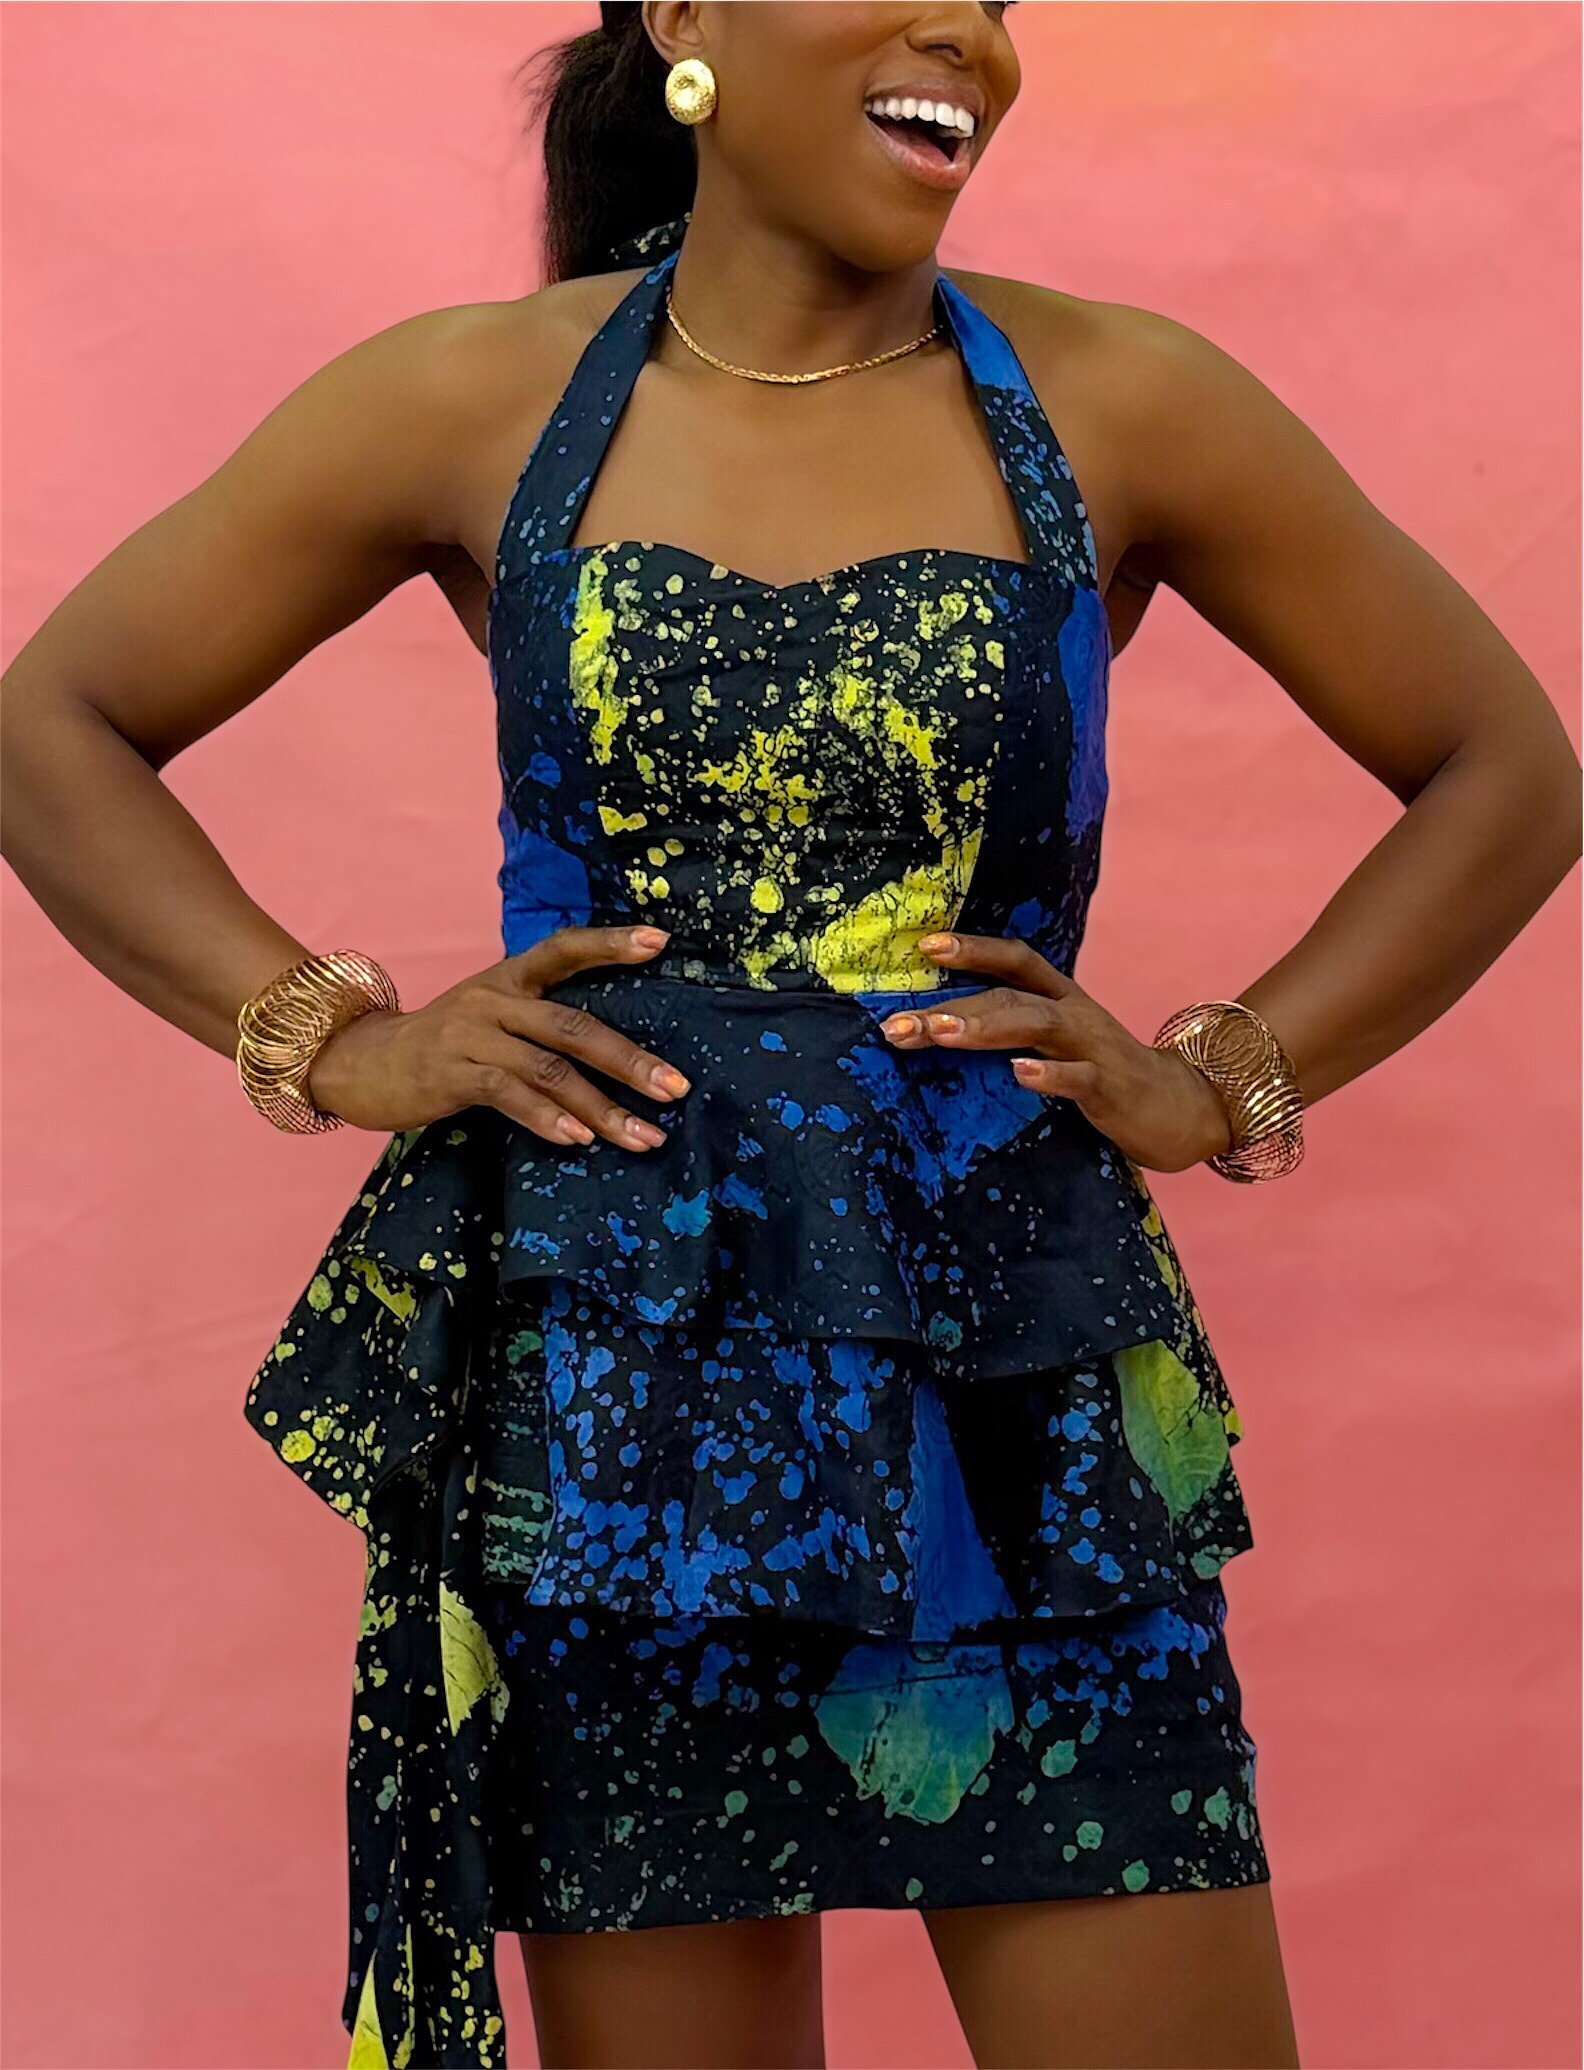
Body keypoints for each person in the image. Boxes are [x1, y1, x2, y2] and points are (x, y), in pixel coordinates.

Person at [3, 3, 1578, 2066]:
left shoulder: (1127, 402)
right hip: (619, 1409)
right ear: (684, 20)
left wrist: (1220, 1076)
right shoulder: (474, 398)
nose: (967, 33)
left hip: (1016, 1383)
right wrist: (335, 1035)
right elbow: (54, 727)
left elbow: (1507, 771)